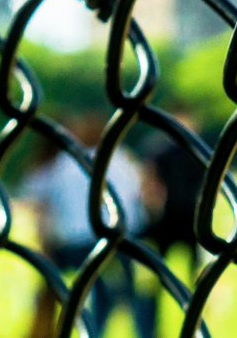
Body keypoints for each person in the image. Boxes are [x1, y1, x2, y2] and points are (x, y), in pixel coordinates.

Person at [25, 115, 149, 337]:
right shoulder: (122, 160)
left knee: (63, 284)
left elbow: (46, 206)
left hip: (73, 243)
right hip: (120, 241)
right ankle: (123, 330)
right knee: (121, 289)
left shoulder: (66, 162)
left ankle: (72, 327)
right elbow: (138, 199)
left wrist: (47, 242)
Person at [138, 111, 207, 336]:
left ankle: (192, 323)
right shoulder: (194, 150)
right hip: (183, 218)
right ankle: (193, 324)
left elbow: (150, 184)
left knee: (181, 276)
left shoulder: (168, 149)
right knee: (182, 277)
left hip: (180, 218)